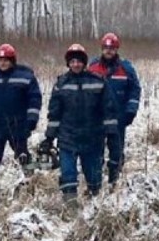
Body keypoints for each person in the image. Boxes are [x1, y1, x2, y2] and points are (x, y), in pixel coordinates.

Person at [40, 43, 117, 216]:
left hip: (93, 138)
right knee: (68, 175)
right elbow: (54, 114)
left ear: (84, 63)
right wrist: (48, 138)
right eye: (72, 61)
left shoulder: (98, 81)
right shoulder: (61, 84)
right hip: (68, 138)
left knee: (94, 178)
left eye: (79, 61)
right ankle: (71, 210)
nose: (76, 64)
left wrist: (111, 134)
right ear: (68, 63)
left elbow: (108, 109)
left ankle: (94, 209)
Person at [0, 43, 42, 192]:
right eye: (0, 59)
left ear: (12, 60)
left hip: (18, 125)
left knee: (23, 156)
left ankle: (31, 185)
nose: (3, 63)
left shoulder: (25, 76)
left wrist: (32, 118)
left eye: (6, 60)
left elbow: (34, 98)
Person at [88, 32, 141, 187]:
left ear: (117, 49)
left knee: (116, 151)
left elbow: (134, 90)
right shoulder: (92, 66)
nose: (108, 51)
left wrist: (131, 110)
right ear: (101, 48)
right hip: (96, 118)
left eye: (112, 48)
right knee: (95, 151)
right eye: (106, 47)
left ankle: (114, 180)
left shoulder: (126, 68)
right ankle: (95, 184)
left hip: (118, 117)